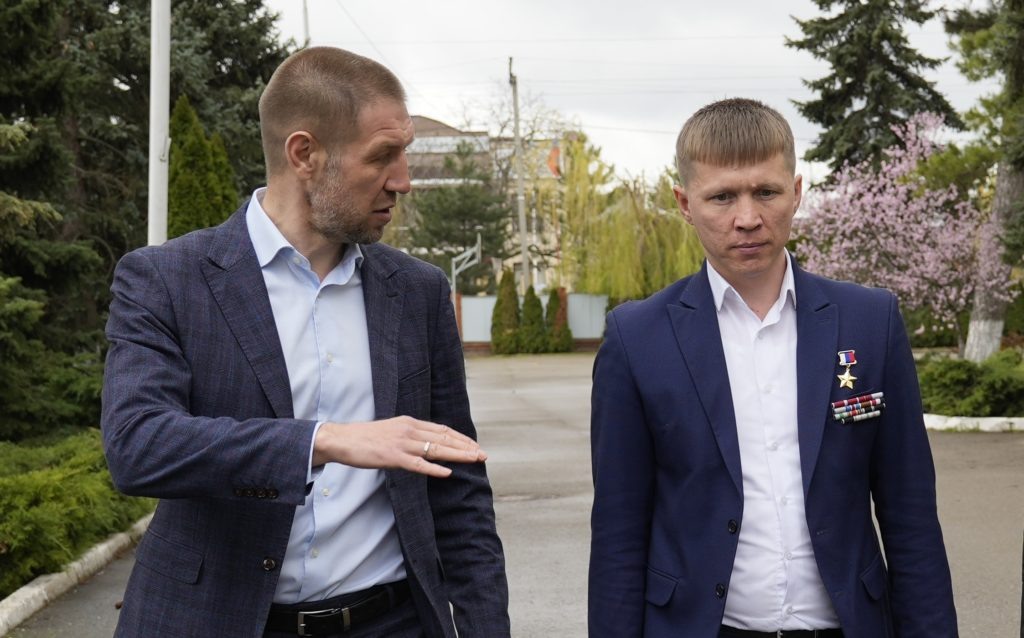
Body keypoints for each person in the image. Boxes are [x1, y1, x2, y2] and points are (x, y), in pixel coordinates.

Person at [101, 47, 510, 638]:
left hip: (392, 622)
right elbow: (138, 445)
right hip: (218, 621)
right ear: (304, 154)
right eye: (383, 156)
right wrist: (326, 441)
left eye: (405, 153)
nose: (403, 181)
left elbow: (459, 488)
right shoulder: (167, 279)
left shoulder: (418, 291)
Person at [588, 98, 957, 638]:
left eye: (766, 191)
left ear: (797, 191)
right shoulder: (637, 338)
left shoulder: (870, 321)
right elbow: (618, 534)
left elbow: (911, 517)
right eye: (721, 197)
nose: (747, 218)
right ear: (685, 203)